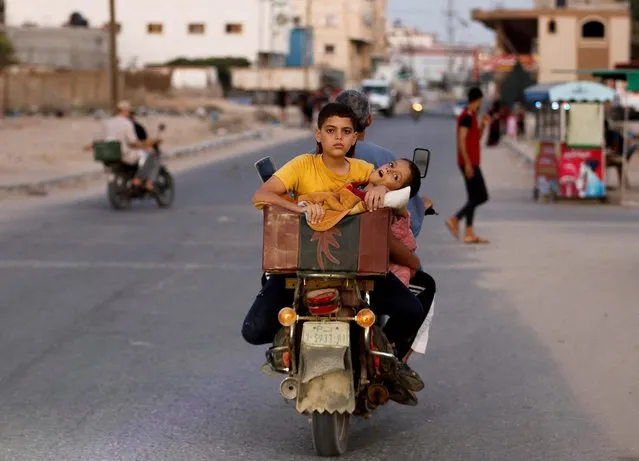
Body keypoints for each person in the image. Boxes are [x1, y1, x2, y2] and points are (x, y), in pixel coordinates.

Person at [242, 102, 425, 392]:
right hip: (302, 266)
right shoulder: (302, 165)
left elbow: (391, 189)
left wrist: (379, 188)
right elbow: (262, 195)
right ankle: (290, 341)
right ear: (318, 135)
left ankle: (383, 357)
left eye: (346, 131)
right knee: (253, 331)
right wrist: (299, 207)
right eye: (330, 131)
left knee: (412, 310)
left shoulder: (366, 171)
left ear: (355, 138)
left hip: (357, 269)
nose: (338, 137)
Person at [334, 89, 436, 359]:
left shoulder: (311, 158)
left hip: (319, 258)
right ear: (368, 121)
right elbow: (408, 228)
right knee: (423, 283)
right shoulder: (382, 158)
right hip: (369, 263)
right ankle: (394, 354)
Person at [446, 87, 491, 245]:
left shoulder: (472, 116)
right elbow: (462, 141)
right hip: (469, 163)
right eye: (481, 101)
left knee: (474, 197)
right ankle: (455, 219)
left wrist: (484, 125)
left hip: (471, 162)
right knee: (482, 196)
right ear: (477, 100)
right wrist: (467, 164)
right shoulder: (466, 116)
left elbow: (475, 138)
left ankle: (469, 233)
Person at [97, 100, 160, 191]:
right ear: (126, 111)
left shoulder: (107, 122)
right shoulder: (127, 123)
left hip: (110, 154)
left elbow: (99, 140)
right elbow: (133, 142)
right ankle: (139, 179)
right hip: (125, 155)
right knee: (152, 154)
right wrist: (146, 145)